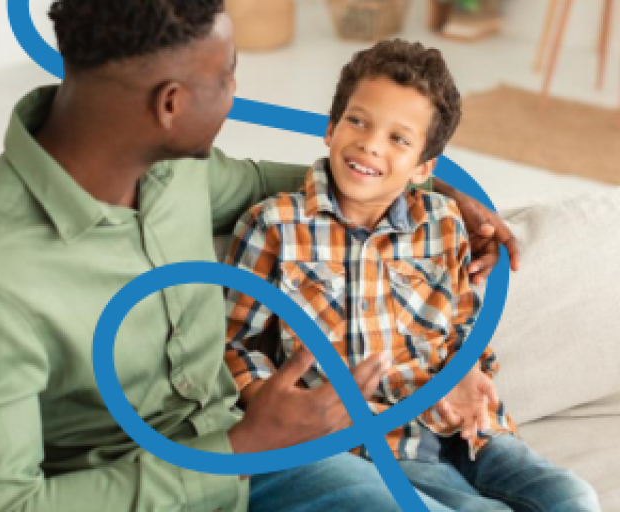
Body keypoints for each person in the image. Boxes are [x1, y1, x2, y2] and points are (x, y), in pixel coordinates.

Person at [0, 1, 518, 511]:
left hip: (263, 455)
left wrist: (430, 192)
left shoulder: (174, 167)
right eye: (228, 75)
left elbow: (278, 185)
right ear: (170, 104)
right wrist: (240, 447)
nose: (235, 94)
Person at [224, 40, 600, 511]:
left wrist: (469, 374)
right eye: (357, 121)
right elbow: (235, 344)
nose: (370, 144)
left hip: (467, 432)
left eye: (398, 139)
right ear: (331, 128)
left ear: (424, 167)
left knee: (575, 498)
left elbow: (463, 327)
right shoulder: (274, 225)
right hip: (373, 446)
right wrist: (277, 403)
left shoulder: (445, 222)